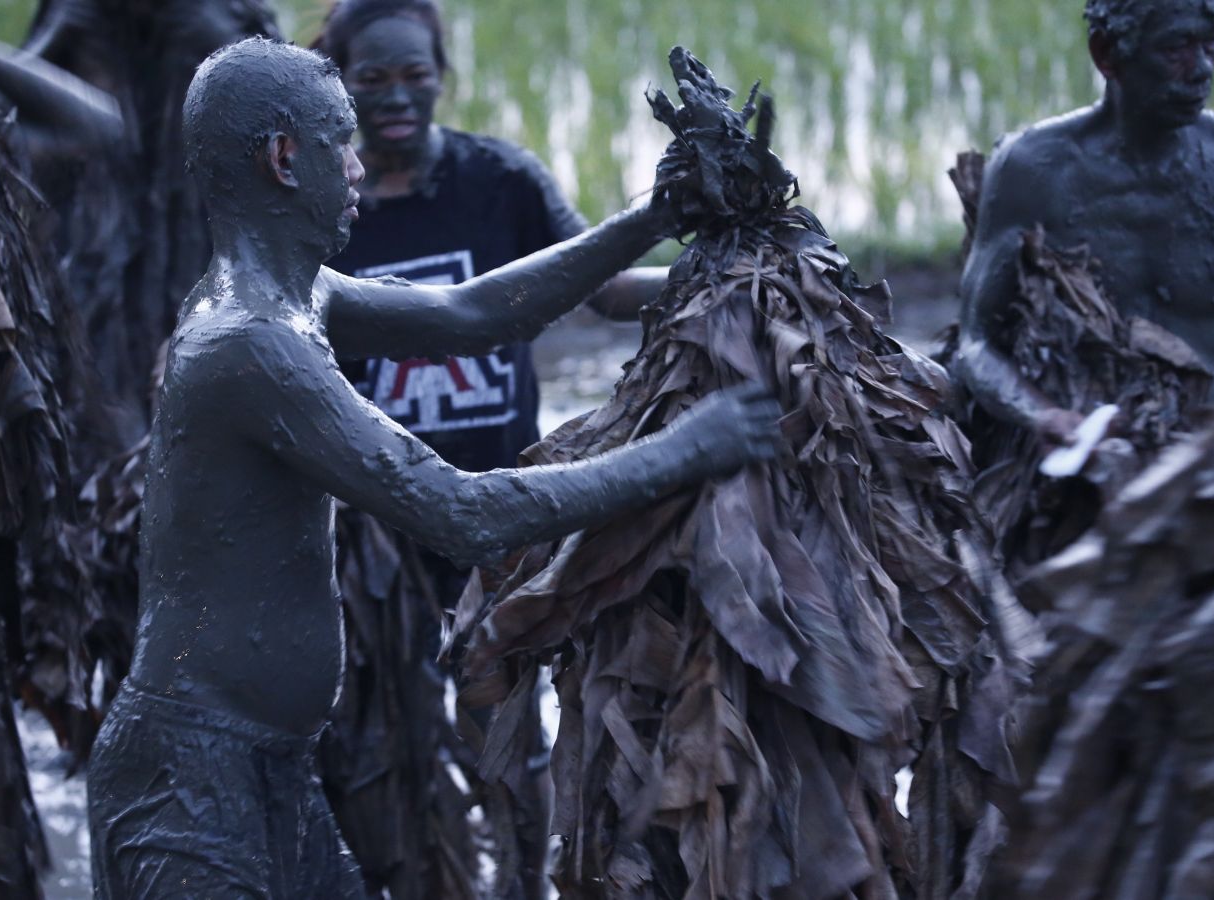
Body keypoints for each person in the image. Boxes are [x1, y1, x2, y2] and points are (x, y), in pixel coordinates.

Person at [85, 37, 780, 899]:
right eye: (341, 139)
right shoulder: (248, 345)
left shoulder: (299, 297)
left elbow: (473, 310)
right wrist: (685, 450)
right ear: (283, 158)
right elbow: (460, 511)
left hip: (269, 766)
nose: (358, 162)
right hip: (189, 781)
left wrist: (648, 219)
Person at [313, 3, 666, 894]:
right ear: (339, 82)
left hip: (498, 514)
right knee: (382, 741)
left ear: (441, 73)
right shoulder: (326, 204)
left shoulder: (497, 182)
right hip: (372, 537)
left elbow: (608, 286)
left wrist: (726, 258)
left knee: (508, 732)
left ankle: (520, 880)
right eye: (372, 80)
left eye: (414, 76)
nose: (397, 98)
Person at [956, 0, 1214, 445]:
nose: (1202, 68)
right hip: (1089, 455)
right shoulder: (1033, 170)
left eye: (1210, 45)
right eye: (1177, 48)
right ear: (1106, 53)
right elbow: (976, 344)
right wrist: (1045, 415)